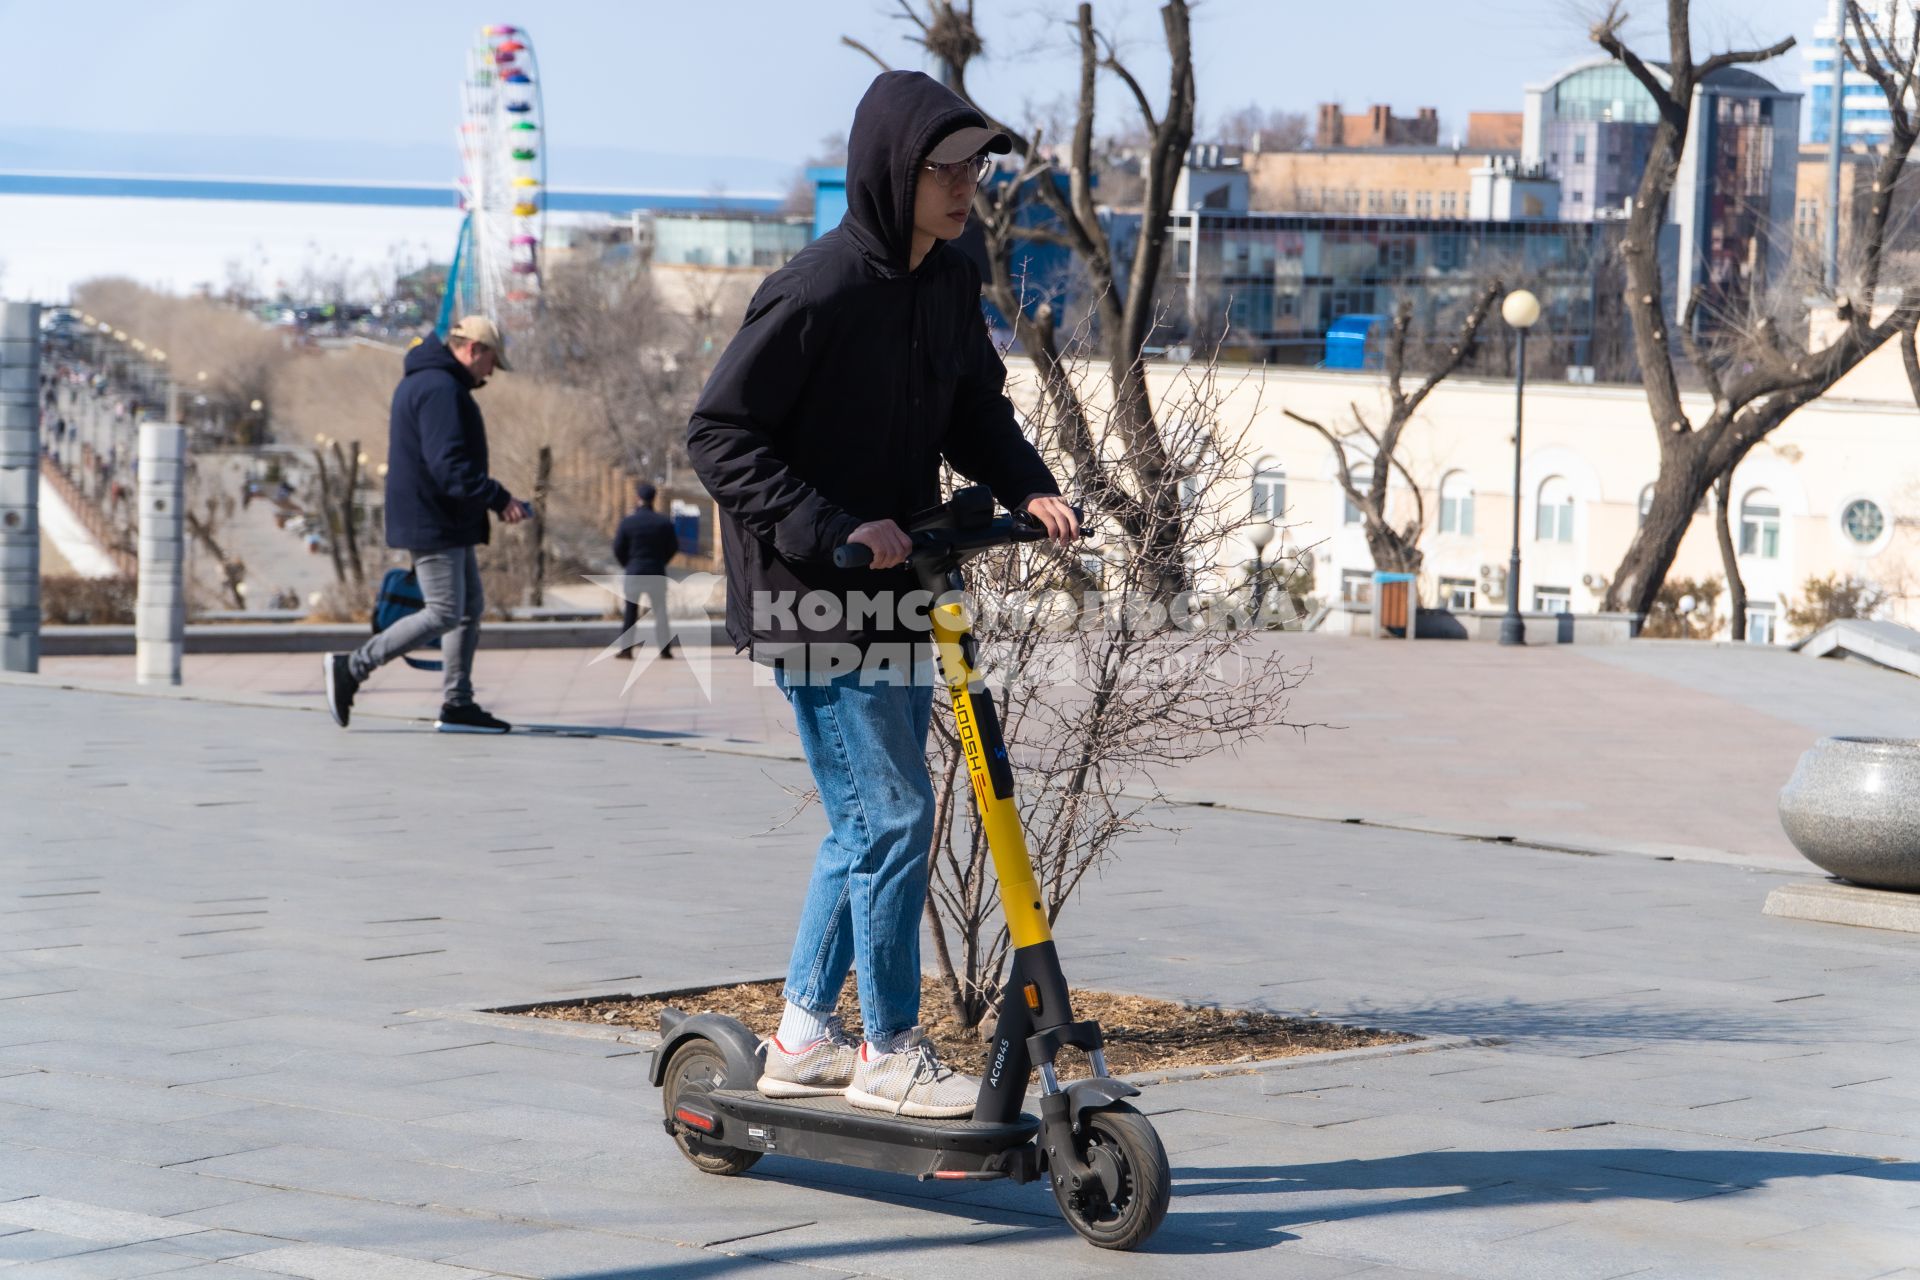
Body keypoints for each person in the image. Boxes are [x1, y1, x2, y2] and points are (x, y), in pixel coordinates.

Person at [687, 71, 1079, 1118]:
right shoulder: (815, 290)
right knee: (896, 813)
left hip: (902, 585)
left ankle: (805, 1034)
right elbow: (719, 434)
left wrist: (1028, 484)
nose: (964, 188)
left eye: (975, 169)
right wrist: (830, 526)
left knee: (865, 823)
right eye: (945, 170)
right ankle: (890, 1048)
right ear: (892, 171)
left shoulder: (949, 280)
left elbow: (973, 410)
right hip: (813, 590)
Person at [324, 315, 531, 734]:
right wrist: (499, 498)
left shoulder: (433, 382)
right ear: (473, 349)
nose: (492, 372)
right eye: (492, 361)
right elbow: (449, 466)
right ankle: (352, 667)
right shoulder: (440, 389)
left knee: (468, 609)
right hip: (434, 517)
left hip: (445, 517)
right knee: (443, 611)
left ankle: (458, 704)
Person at [611, 481, 680, 659]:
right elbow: (673, 547)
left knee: (630, 612)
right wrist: (661, 561)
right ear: (654, 498)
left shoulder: (628, 522)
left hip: (634, 571)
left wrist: (629, 564)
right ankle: (665, 650)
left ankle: (626, 650)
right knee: (660, 612)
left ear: (638, 498)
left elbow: (618, 548)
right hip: (656, 570)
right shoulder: (664, 523)